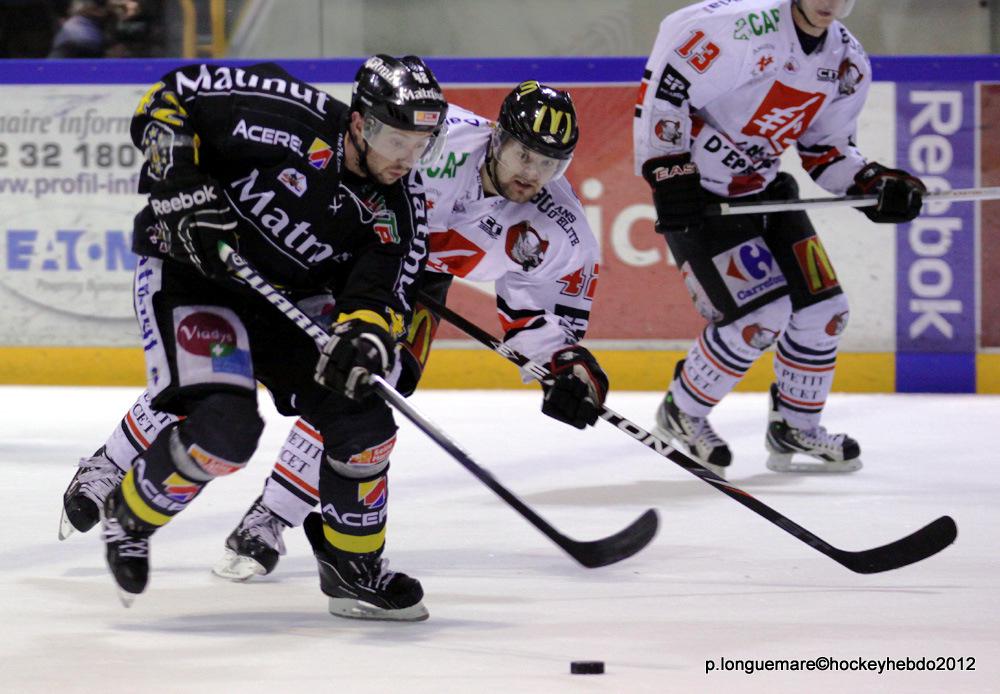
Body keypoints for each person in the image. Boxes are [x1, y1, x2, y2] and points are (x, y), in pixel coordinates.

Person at [60, 81, 607, 603]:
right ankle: (109, 464)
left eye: (549, 163)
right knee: (222, 366)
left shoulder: (560, 229)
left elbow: (542, 321)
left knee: (366, 386)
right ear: (496, 138)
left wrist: (569, 372)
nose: (532, 173)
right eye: (523, 155)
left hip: (416, 280)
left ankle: (270, 519)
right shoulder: (437, 140)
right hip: (349, 255)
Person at [78, 55, 448, 621]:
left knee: (364, 423)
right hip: (194, 282)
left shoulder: (397, 209)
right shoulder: (286, 112)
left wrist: (362, 339)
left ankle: (353, 568)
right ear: (359, 122)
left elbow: (377, 298)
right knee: (226, 430)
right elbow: (168, 99)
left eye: (420, 146)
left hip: (283, 307)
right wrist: (181, 188)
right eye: (396, 140)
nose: (406, 159)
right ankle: (129, 515)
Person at [633, 0, 925, 477]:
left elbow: (826, 152)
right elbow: (668, 84)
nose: (829, 3)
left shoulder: (847, 62)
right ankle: (681, 411)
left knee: (826, 312)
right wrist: (667, 169)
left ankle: (795, 426)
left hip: (765, 191)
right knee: (761, 317)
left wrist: (873, 185)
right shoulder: (742, 29)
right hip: (703, 200)